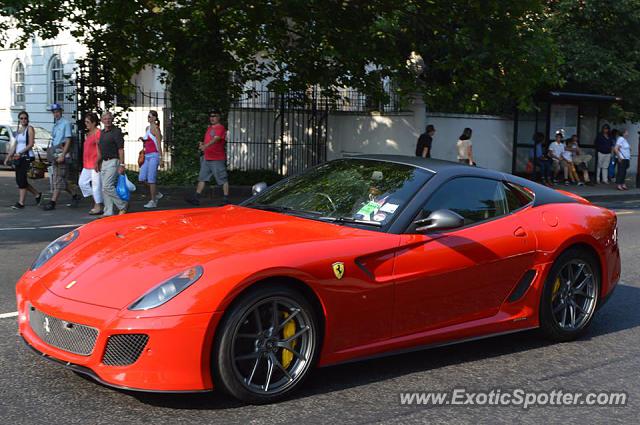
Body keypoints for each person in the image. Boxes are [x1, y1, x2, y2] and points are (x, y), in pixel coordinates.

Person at [186, 109, 229, 206]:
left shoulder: (220, 128)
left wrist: (205, 146)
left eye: (214, 116)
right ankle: (196, 198)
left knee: (222, 179)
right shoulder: (209, 128)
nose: (212, 118)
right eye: (211, 116)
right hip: (207, 157)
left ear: (219, 117)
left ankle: (226, 199)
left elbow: (216, 139)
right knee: (202, 178)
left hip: (217, 158)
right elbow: (209, 140)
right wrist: (202, 144)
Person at [42, 103, 81, 210]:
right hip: (56, 153)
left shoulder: (65, 123)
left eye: (57, 111)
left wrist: (63, 154)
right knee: (60, 179)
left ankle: (52, 202)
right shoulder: (56, 124)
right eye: (54, 112)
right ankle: (75, 195)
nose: (56, 114)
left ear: (61, 111)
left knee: (58, 178)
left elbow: (68, 139)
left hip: (61, 153)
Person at [4, 110, 41, 209]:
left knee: (21, 179)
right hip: (18, 158)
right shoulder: (19, 130)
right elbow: (14, 145)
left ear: (27, 119)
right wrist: (8, 157)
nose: (23, 120)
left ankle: (21, 203)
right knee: (19, 180)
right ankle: (37, 194)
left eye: (25, 118)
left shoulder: (30, 129)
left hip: (26, 157)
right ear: (19, 120)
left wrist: (20, 153)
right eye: (21, 118)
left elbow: (31, 144)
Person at [96, 111, 128, 215]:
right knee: (104, 188)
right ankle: (108, 211)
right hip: (105, 162)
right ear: (102, 120)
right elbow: (101, 149)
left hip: (114, 161)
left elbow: (121, 149)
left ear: (112, 119)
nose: (107, 121)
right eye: (105, 119)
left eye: (109, 118)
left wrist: (122, 164)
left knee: (107, 186)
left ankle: (122, 205)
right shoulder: (102, 133)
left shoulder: (116, 131)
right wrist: (99, 162)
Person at [78, 112, 103, 215]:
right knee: (82, 183)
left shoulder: (98, 133)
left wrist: (98, 161)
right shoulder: (88, 134)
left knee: (96, 186)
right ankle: (100, 200)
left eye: (88, 122)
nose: (86, 124)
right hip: (87, 164)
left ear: (94, 123)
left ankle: (98, 205)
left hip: (95, 163)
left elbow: (99, 149)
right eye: (85, 122)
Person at [138, 110, 164, 208]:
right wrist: (143, 139)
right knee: (142, 178)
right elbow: (148, 141)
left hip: (154, 155)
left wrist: (161, 158)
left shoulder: (156, 129)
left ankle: (153, 201)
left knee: (151, 179)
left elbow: (158, 144)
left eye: (150, 116)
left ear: (154, 118)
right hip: (147, 155)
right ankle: (157, 193)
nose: (148, 118)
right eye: (148, 116)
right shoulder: (147, 128)